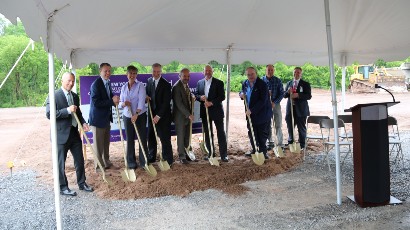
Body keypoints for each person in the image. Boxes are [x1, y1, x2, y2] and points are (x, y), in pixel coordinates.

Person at [46, 72, 93, 196]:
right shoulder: (54, 95)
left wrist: (83, 123)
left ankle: (82, 183)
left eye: (73, 81)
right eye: (68, 81)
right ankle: (63, 187)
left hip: (74, 133)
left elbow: (78, 114)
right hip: (60, 135)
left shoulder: (75, 96)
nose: (71, 83)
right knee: (60, 163)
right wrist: (67, 110)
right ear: (62, 81)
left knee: (79, 160)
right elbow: (50, 114)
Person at [89, 63, 120, 171]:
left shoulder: (107, 82)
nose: (108, 73)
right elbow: (97, 103)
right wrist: (111, 101)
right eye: (105, 71)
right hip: (97, 120)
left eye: (109, 71)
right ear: (100, 72)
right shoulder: (96, 84)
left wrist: (114, 97)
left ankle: (107, 163)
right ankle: (99, 167)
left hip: (106, 118)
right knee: (98, 146)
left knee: (106, 143)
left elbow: (109, 96)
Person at [195, 65, 228, 162]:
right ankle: (211, 153)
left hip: (217, 111)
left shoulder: (219, 83)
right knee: (208, 133)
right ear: (203, 72)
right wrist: (200, 97)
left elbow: (222, 96)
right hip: (205, 112)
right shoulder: (199, 83)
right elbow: (196, 94)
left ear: (212, 71)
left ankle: (223, 155)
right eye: (206, 71)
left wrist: (211, 102)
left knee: (221, 133)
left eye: (210, 70)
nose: (208, 72)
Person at [119, 65, 148, 169]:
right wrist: (124, 103)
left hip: (139, 115)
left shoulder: (140, 86)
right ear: (127, 74)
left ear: (136, 75)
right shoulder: (123, 87)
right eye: (130, 73)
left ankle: (144, 161)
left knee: (142, 138)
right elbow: (120, 103)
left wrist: (136, 114)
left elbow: (141, 102)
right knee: (130, 139)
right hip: (127, 116)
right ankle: (131, 163)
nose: (132, 75)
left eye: (134, 73)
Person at [240, 67, 273, 159]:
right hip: (250, 114)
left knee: (262, 134)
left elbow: (263, 100)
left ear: (256, 73)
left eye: (252, 74)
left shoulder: (262, 84)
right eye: (248, 75)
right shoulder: (245, 83)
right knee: (252, 132)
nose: (250, 76)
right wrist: (241, 95)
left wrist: (252, 110)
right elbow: (242, 92)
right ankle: (255, 150)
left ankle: (263, 152)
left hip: (262, 113)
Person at [146, 63, 173, 165]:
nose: (156, 73)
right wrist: (146, 97)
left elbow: (166, 103)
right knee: (151, 137)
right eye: (154, 71)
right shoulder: (149, 81)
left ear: (161, 72)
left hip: (163, 117)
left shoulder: (166, 84)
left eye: (158, 72)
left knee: (164, 138)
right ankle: (152, 156)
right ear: (151, 71)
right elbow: (148, 94)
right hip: (151, 115)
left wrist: (158, 116)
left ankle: (168, 160)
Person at [283, 66, 312, 150]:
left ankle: (302, 144)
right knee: (290, 126)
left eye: (298, 72)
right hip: (290, 109)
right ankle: (291, 142)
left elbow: (309, 96)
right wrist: (288, 92)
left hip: (301, 110)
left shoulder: (305, 84)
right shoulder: (289, 83)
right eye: (295, 72)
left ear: (301, 74)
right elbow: (284, 95)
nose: (296, 74)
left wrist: (298, 95)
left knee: (301, 127)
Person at [172, 68, 195, 164]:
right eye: (184, 76)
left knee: (187, 136)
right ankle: (181, 157)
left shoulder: (186, 85)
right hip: (180, 117)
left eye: (188, 76)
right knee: (181, 137)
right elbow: (179, 103)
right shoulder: (176, 87)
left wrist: (192, 96)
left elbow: (187, 98)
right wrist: (188, 114)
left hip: (187, 116)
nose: (187, 78)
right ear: (180, 76)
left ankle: (186, 154)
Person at [262, 64, 284, 149]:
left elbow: (281, 93)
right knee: (267, 124)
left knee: (278, 123)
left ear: (273, 71)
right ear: (265, 70)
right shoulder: (261, 81)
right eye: (268, 70)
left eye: (271, 70)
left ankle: (280, 143)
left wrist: (274, 102)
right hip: (265, 105)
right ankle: (270, 142)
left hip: (276, 105)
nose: (270, 72)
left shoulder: (278, 81)